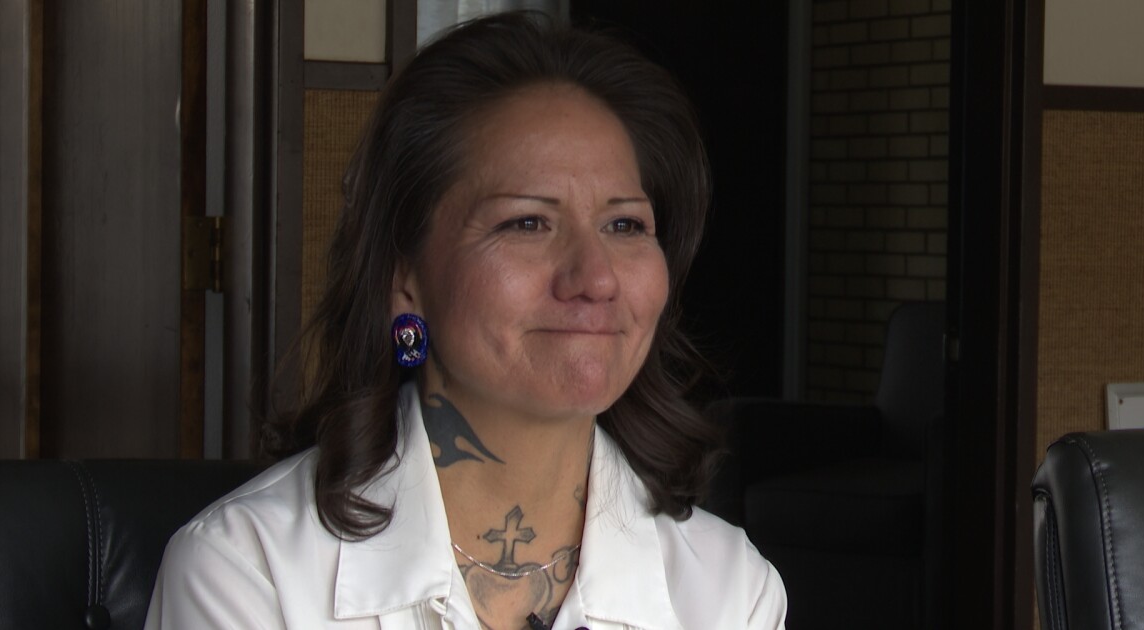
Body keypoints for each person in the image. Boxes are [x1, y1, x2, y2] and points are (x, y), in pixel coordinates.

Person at [146, 11, 786, 630]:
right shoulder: (249, 572)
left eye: (625, 225)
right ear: (405, 278)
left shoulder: (730, 591)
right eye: (527, 222)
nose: (596, 279)